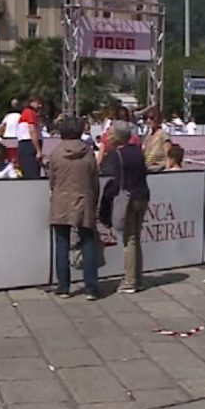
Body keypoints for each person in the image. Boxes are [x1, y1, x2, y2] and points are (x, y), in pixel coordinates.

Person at [49, 117, 101, 300]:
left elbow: (52, 181)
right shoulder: (89, 153)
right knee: (88, 242)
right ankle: (91, 288)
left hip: (61, 201)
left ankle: (63, 287)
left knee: (62, 244)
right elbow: (95, 181)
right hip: (84, 199)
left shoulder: (56, 153)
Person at [100, 121, 150, 293]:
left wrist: (108, 194)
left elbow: (117, 183)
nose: (108, 136)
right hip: (142, 195)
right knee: (135, 238)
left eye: (110, 133)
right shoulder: (138, 151)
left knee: (129, 240)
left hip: (127, 197)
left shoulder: (117, 155)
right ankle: (137, 278)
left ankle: (130, 281)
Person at [17, 96, 44, 179]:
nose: (40, 106)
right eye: (38, 103)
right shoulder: (29, 112)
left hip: (28, 145)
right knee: (32, 173)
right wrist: (38, 150)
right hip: (29, 145)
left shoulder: (31, 113)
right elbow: (32, 131)